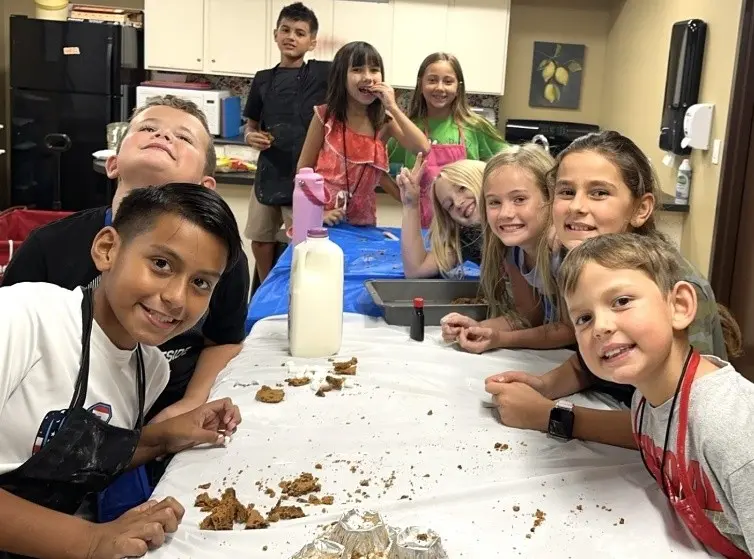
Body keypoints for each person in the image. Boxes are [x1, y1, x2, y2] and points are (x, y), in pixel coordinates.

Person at [0, 184, 243, 559]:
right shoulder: (24, 318)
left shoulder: (151, 370)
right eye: (161, 264)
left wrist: (162, 438)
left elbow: (76, 459)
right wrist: (92, 541)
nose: (177, 298)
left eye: (200, 283)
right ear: (107, 249)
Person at [2, 95, 250, 426]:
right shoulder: (46, 255)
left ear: (206, 187)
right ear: (113, 162)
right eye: (148, 128)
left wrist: (187, 406)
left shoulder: (221, 259)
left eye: (184, 137)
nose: (163, 137)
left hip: (160, 417)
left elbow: (224, 338)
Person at [483, 131, 731, 447]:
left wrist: (551, 415)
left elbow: (682, 427)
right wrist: (543, 385)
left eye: (599, 193)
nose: (577, 206)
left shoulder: (672, 288)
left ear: (640, 209)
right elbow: (600, 351)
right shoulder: (586, 266)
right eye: (566, 191)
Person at [558, 233, 752, 558]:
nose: (600, 327)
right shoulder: (643, 402)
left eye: (621, 301)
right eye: (584, 318)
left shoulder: (730, 426)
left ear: (679, 306)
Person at [441, 144, 574, 353]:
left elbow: (569, 330)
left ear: (550, 198)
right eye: (494, 202)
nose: (505, 213)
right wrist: (477, 328)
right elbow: (527, 315)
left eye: (519, 199)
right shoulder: (515, 251)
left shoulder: (564, 253)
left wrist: (500, 339)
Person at [243, 2, 338, 283]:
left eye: (300, 33)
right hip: (269, 170)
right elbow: (250, 125)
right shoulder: (262, 80)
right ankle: (265, 285)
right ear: (275, 35)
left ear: (312, 43)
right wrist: (251, 136)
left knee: (303, 243)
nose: (291, 37)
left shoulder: (321, 73)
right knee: (261, 240)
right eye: (285, 30)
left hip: (306, 175)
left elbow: (349, 65)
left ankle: (296, 286)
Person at [297, 41, 430, 227]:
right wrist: (319, 212)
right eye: (357, 70)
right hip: (321, 221)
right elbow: (303, 171)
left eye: (374, 70)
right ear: (340, 76)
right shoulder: (325, 116)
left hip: (363, 223)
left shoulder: (385, 121)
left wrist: (392, 106)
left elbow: (422, 147)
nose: (368, 77)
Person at [385, 52, 507, 228]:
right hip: (423, 230)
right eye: (432, 80)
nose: (440, 88)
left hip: (471, 230)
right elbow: (376, 168)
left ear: (458, 87)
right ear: (420, 84)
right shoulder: (407, 129)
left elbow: (508, 164)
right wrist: (405, 199)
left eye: (448, 81)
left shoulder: (475, 126)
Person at [396, 154, 484, 278]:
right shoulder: (470, 238)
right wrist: (411, 204)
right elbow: (417, 270)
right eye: (450, 205)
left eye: (463, 188)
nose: (458, 203)